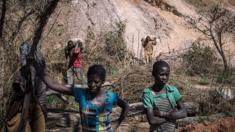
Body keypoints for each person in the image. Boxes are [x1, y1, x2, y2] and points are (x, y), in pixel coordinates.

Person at [34, 53, 129, 132]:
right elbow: (53, 85)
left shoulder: (110, 96)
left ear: (103, 82)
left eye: (96, 82)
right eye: (90, 81)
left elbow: (126, 106)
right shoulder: (81, 94)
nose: (92, 84)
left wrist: (117, 123)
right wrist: (41, 71)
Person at [4, 42, 47, 132]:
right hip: (22, 106)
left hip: (36, 104)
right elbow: (19, 91)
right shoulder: (21, 72)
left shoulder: (40, 70)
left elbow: (41, 93)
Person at [142, 60, 187, 132]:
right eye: (161, 74)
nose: (165, 77)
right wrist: (172, 116)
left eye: (167, 75)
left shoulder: (172, 91)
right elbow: (152, 120)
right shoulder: (148, 93)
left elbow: (184, 112)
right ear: (153, 74)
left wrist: (163, 114)